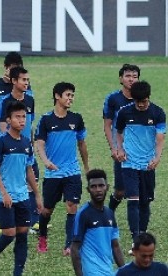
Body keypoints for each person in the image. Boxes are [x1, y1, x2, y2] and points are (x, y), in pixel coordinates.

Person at [0, 101, 42, 276]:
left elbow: (29, 169)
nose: (22, 120)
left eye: (24, 117)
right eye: (18, 117)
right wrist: (4, 193)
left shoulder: (26, 143)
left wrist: (37, 195)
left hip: (23, 197)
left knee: (22, 236)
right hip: (4, 198)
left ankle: (18, 273)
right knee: (8, 234)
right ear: (8, 120)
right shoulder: (0, 142)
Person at [35, 82, 89, 256]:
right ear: (57, 96)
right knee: (46, 210)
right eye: (68, 95)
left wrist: (86, 167)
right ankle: (42, 237)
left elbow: (82, 144)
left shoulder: (77, 119)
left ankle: (69, 244)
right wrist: (45, 161)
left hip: (72, 172)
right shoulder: (46, 120)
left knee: (72, 206)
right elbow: (39, 144)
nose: (71, 98)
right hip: (53, 173)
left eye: (72, 95)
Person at [115, 81, 165, 248]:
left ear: (148, 97)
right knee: (133, 200)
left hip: (148, 164)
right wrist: (120, 149)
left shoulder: (158, 113)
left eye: (144, 101)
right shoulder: (124, 112)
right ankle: (135, 239)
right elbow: (119, 132)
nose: (141, 105)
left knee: (145, 202)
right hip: (129, 163)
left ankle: (142, 234)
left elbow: (160, 139)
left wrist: (157, 158)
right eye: (138, 102)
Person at [0, 66, 41, 234]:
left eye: (28, 80)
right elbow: (1, 124)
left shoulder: (30, 100)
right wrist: (9, 142)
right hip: (11, 148)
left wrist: (30, 144)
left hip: (27, 147)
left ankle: (30, 221)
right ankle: (4, 220)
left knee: (32, 180)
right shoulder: (5, 102)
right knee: (11, 181)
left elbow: (30, 123)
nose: (26, 83)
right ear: (14, 81)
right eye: (23, 80)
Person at [70, 169, 125, 276]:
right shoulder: (83, 214)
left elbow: (115, 246)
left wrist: (124, 271)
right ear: (88, 190)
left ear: (107, 187)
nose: (98, 190)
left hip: (108, 271)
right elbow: (74, 248)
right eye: (93, 186)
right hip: (92, 272)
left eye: (101, 185)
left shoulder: (109, 213)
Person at [103, 64, 140, 211]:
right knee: (120, 190)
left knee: (139, 192)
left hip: (140, 151)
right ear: (121, 78)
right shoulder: (113, 99)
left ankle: (138, 229)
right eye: (128, 76)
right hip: (121, 151)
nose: (131, 79)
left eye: (135, 76)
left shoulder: (142, 99)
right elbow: (107, 125)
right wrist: (114, 149)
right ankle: (109, 212)